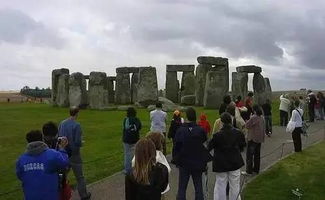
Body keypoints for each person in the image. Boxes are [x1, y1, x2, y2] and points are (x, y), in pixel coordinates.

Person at [16, 130, 69, 200]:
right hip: (50, 196)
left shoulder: (21, 159)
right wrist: (62, 148)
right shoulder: (52, 154)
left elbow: (20, 175)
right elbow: (64, 162)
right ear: (42, 139)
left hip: (30, 196)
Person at [174, 107, 212, 200]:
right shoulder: (200, 130)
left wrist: (176, 160)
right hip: (197, 161)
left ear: (186, 117)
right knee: (198, 188)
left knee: (182, 188)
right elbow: (204, 145)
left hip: (184, 162)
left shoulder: (180, 130)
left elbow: (176, 147)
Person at [208, 112, 246, 200]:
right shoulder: (238, 133)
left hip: (221, 163)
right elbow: (242, 145)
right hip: (235, 162)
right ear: (231, 121)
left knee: (220, 185)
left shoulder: (217, 136)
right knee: (235, 185)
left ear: (221, 122)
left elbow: (209, 147)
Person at [58, 107, 91, 200]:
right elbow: (77, 141)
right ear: (77, 113)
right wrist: (82, 143)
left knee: (62, 176)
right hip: (74, 154)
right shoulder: (77, 125)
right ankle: (84, 195)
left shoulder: (62, 123)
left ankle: (60, 194)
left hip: (63, 153)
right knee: (80, 177)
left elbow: (59, 138)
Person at [244, 105, 265, 175]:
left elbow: (247, 125)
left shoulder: (253, 117)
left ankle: (248, 171)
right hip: (259, 139)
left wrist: (248, 119)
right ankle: (256, 169)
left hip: (252, 138)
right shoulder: (261, 117)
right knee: (257, 155)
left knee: (249, 155)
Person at [122, 107, 142, 174]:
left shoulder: (126, 120)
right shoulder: (136, 119)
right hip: (135, 139)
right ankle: (135, 168)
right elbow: (139, 127)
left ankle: (127, 169)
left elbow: (125, 128)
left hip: (126, 139)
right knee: (135, 154)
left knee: (127, 154)